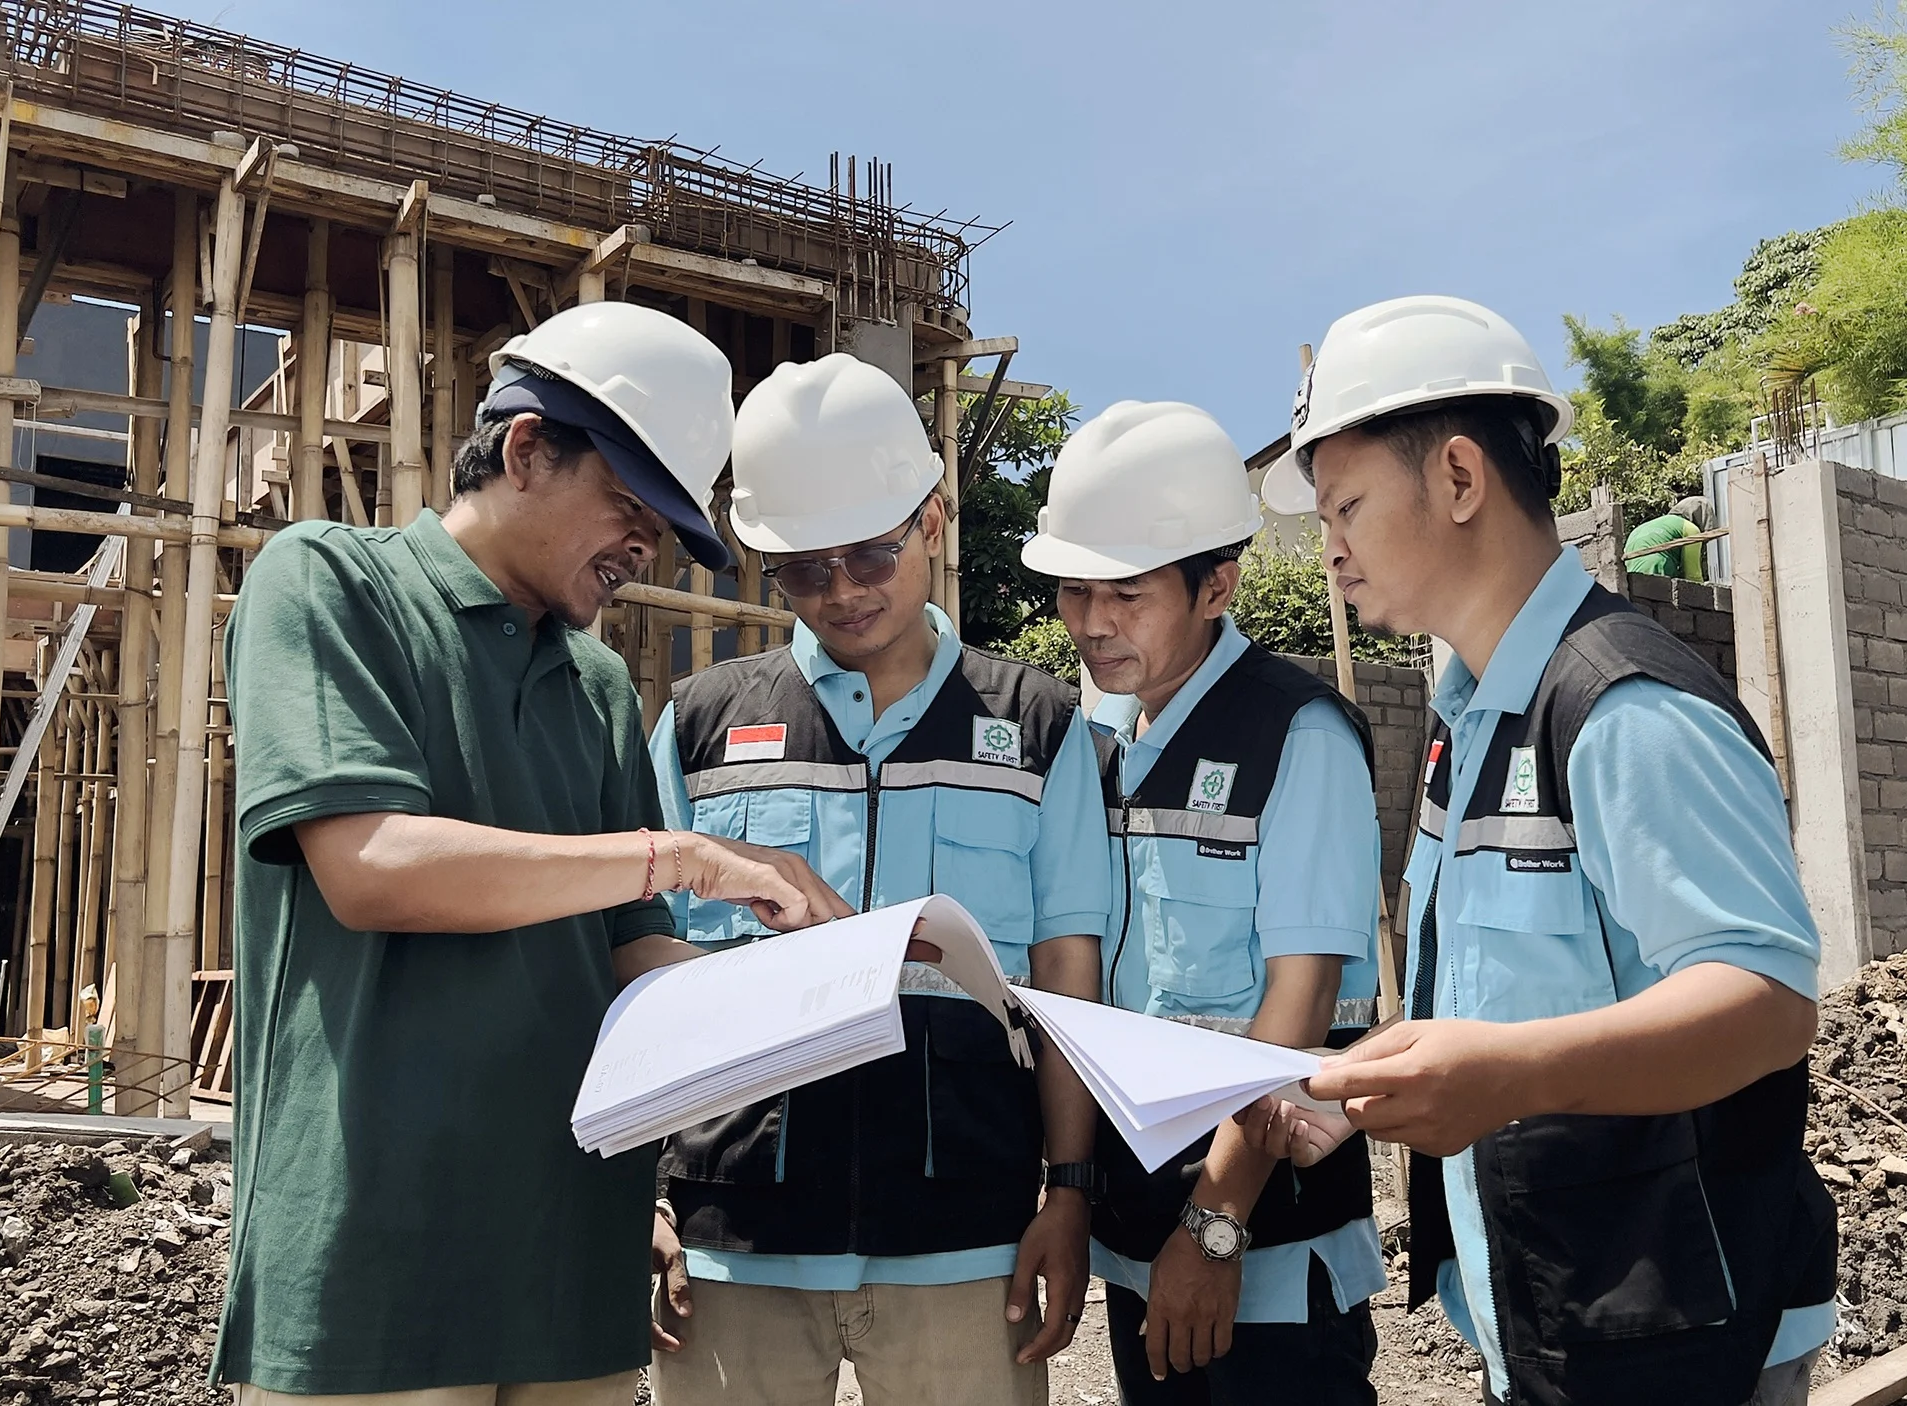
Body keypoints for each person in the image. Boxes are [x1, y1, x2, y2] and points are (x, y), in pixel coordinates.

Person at [215, 301, 852, 1406]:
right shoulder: (329, 584)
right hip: (377, 1267)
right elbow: (371, 865)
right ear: (523, 449)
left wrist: (806, 988)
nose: (645, 546)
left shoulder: (598, 687)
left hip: (570, 1271)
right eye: (629, 504)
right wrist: (682, 855)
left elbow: (622, 950)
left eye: (666, 524)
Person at [1258, 295, 1837, 1406]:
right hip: (1555, 1322)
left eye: (1347, 505)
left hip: (1687, 1341)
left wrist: (1508, 1076)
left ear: (1462, 478)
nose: (1328, 549)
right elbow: (1502, 992)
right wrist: (1372, 1085)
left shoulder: (1623, 709)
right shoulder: (1467, 719)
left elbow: (1768, 1001)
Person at [646, 352, 1110, 1406]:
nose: (842, 591)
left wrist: (1069, 1188)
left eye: (870, 553)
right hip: (735, 1240)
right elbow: (642, 970)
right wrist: (643, 1195)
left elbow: (1066, 970)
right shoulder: (702, 722)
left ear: (933, 519)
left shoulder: (1035, 728)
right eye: (805, 569)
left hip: (964, 1237)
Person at [1020, 401, 1385, 1405]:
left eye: (1125, 595)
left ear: (1216, 584)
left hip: (1264, 1247)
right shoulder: (1091, 732)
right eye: (1074, 592)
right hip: (1139, 1238)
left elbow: (1299, 1003)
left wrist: (1215, 1225)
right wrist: (1076, 1186)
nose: (1092, 623)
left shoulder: (1298, 735)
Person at [1623, 495, 1715, 580]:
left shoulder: (1644, 526)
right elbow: (1692, 574)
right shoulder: (1691, 529)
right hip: (1657, 570)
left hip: (1630, 576)